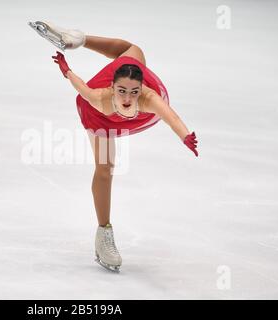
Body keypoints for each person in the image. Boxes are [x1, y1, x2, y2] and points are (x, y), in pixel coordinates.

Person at [29, 21, 199, 272]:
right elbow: (82, 89)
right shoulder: (102, 100)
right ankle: (104, 234)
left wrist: (185, 136)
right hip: (102, 121)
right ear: (112, 88)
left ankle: (77, 39)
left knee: (132, 49)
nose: (128, 99)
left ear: (141, 89)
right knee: (106, 168)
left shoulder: (149, 99)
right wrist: (66, 70)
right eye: (122, 92)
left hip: (139, 102)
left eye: (133, 92)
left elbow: (171, 117)